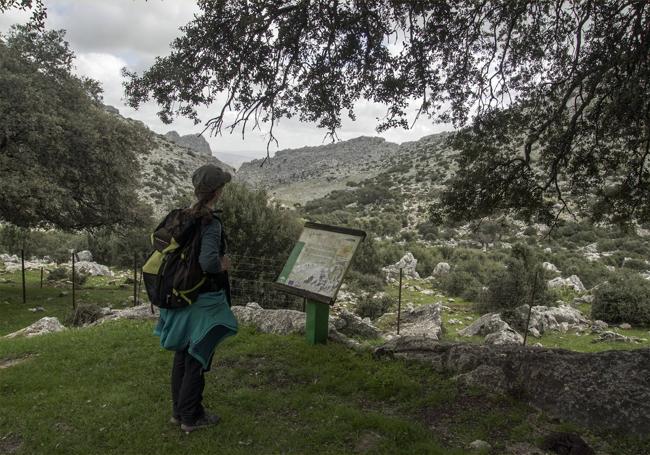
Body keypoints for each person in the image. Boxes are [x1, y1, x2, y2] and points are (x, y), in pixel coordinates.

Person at [153, 164, 238, 433]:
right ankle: (191, 417)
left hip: (180, 295)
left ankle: (178, 413)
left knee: (182, 354)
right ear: (217, 191)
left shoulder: (183, 217)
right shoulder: (210, 222)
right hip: (201, 299)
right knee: (197, 358)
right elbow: (209, 262)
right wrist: (223, 264)